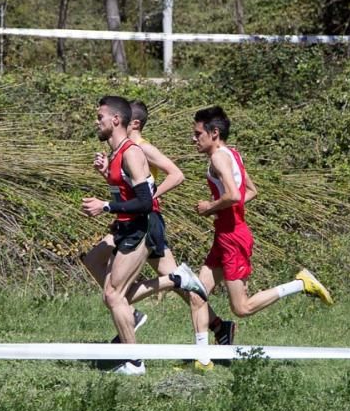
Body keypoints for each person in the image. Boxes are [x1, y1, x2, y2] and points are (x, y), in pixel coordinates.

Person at [81, 101, 235, 358]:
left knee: (179, 286)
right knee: (97, 264)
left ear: (131, 123)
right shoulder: (119, 150)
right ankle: (133, 313)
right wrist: (107, 174)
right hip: (128, 220)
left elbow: (176, 174)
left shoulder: (140, 148)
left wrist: (152, 195)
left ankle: (215, 326)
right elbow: (123, 187)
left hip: (144, 221)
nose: (101, 122)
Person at [184, 106, 334, 368]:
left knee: (241, 308)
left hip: (233, 237)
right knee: (196, 293)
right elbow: (250, 191)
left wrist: (211, 207)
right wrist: (224, 211)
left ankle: (300, 284)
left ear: (214, 133)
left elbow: (232, 195)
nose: (193, 139)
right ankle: (203, 359)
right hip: (226, 234)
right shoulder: (233, 154)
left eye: (198, 134)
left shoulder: (219, 158)